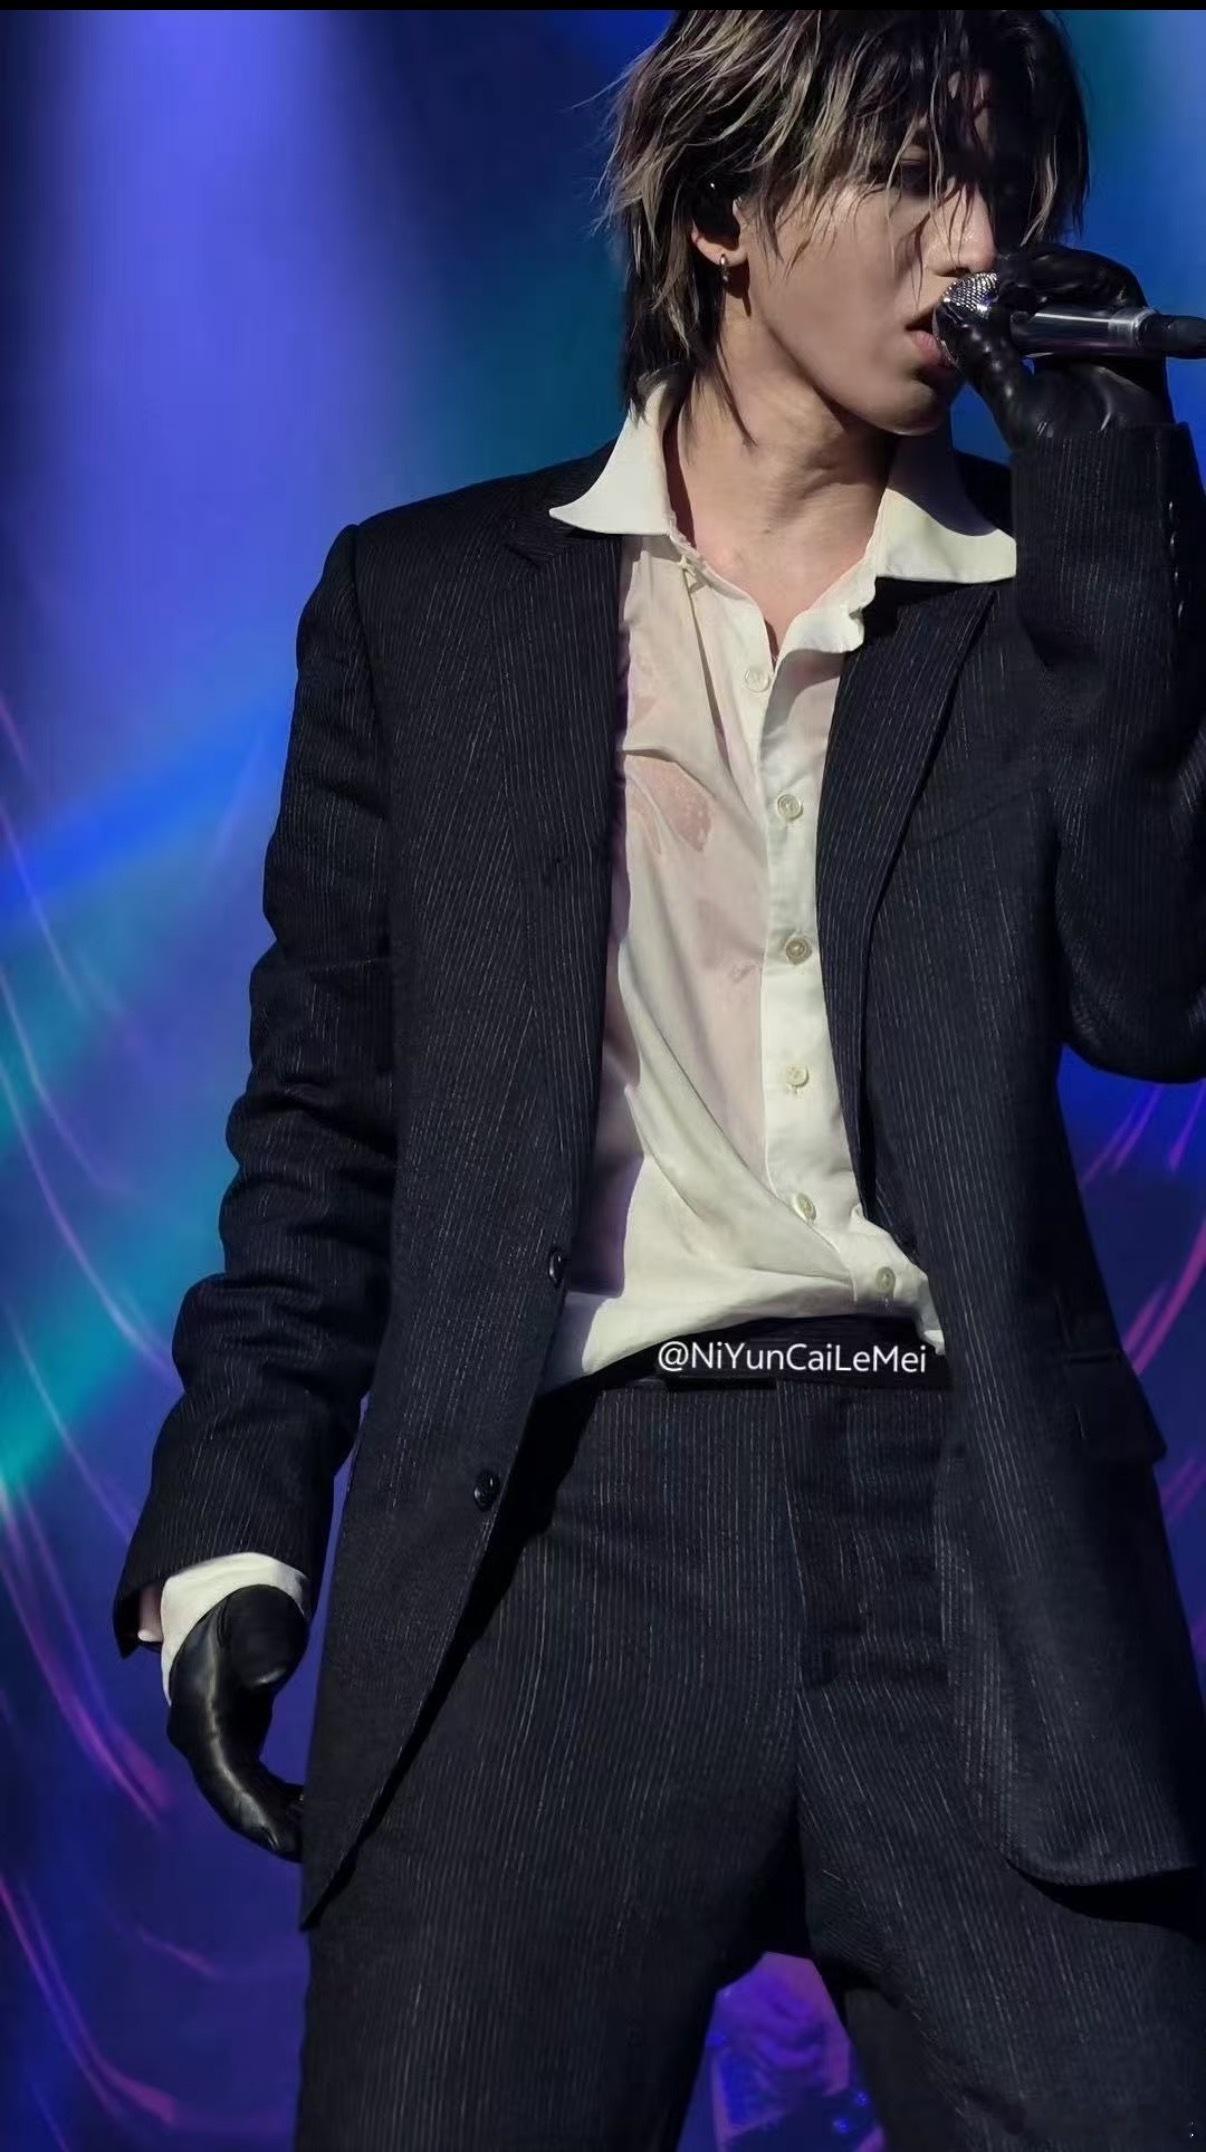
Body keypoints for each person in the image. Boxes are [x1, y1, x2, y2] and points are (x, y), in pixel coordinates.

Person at [112, 10, 1206, 2147]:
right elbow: (325, 1131)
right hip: (561, 1533)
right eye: (913, 171)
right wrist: (236, 1522)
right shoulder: (431, 609)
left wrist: (1114, 553)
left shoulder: (1044, 595)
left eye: (1008, 184)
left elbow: (1157, 1001)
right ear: (723, 210)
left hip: (969, 1529)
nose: (974, 244)